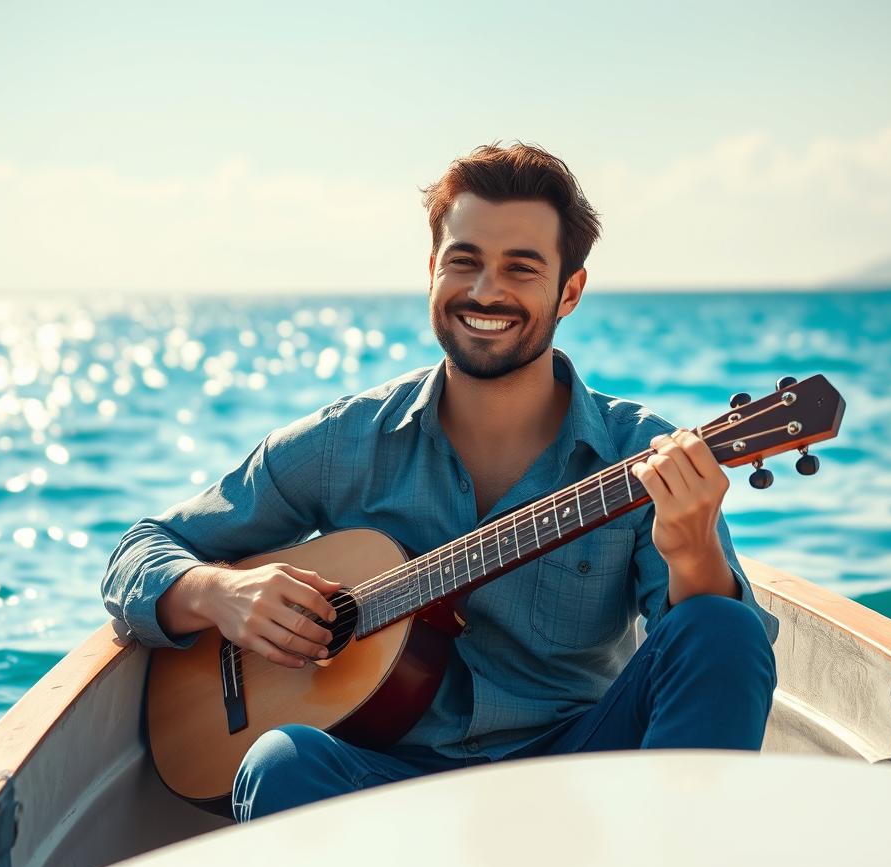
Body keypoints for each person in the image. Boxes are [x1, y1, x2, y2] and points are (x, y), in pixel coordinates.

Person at [102, 142, 778, 823]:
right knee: (280, 763)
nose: (486, 292)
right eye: (465, 262)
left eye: (521, 268)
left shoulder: (639, 454)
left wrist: (692, 550)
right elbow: (140, 551)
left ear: (569, 291)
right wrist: (221, 592)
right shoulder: (347, 443)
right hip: (388, 786)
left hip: (580, 779)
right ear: (431, 270)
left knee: (725, 626)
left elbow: (706, 662)